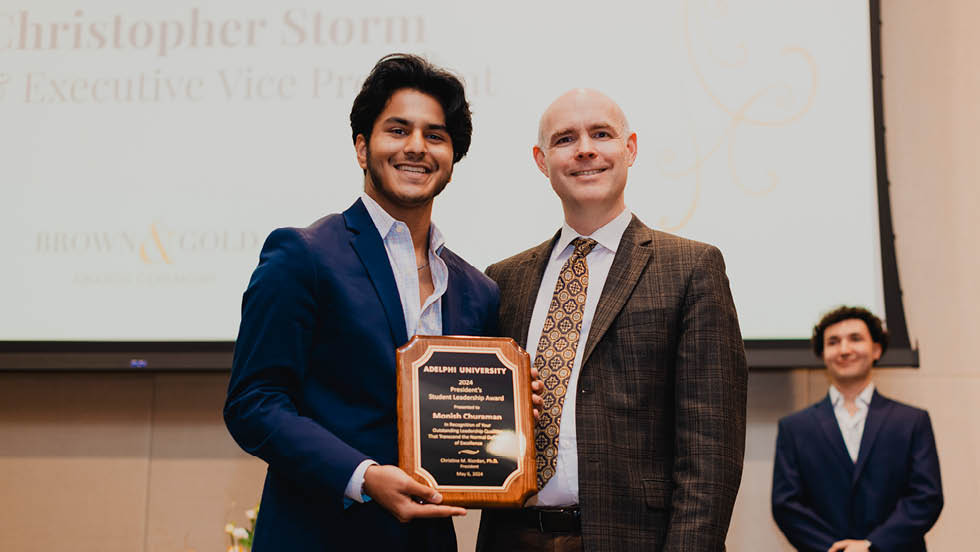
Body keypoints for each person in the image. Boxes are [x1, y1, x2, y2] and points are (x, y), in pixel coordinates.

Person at [223, 53, 498, 551]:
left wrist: (515, 408)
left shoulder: (477, 290)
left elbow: (468, 422)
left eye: (435, 136)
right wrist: (363, 476)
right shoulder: (302, 255)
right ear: (361, 146)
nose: (416, 147)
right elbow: (253, 404)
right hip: (318, 535)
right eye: (397, 130)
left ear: (453, 159)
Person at [476, 88, 747, 551]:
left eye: (601, 134)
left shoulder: (690, 268)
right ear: (542, 161)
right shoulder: (505, 280)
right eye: (565, 139)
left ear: (630, 148)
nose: (585, 149)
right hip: (513, 538)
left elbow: (710, 451)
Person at [772, 306, 943, 552]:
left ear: (876, 349)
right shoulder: (794, 427)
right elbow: (786, 504)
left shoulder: (913, 421)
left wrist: (871, 545)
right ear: (822, 354)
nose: (844, 349)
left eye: (855, 339)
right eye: (833, 342)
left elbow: (927, 497)